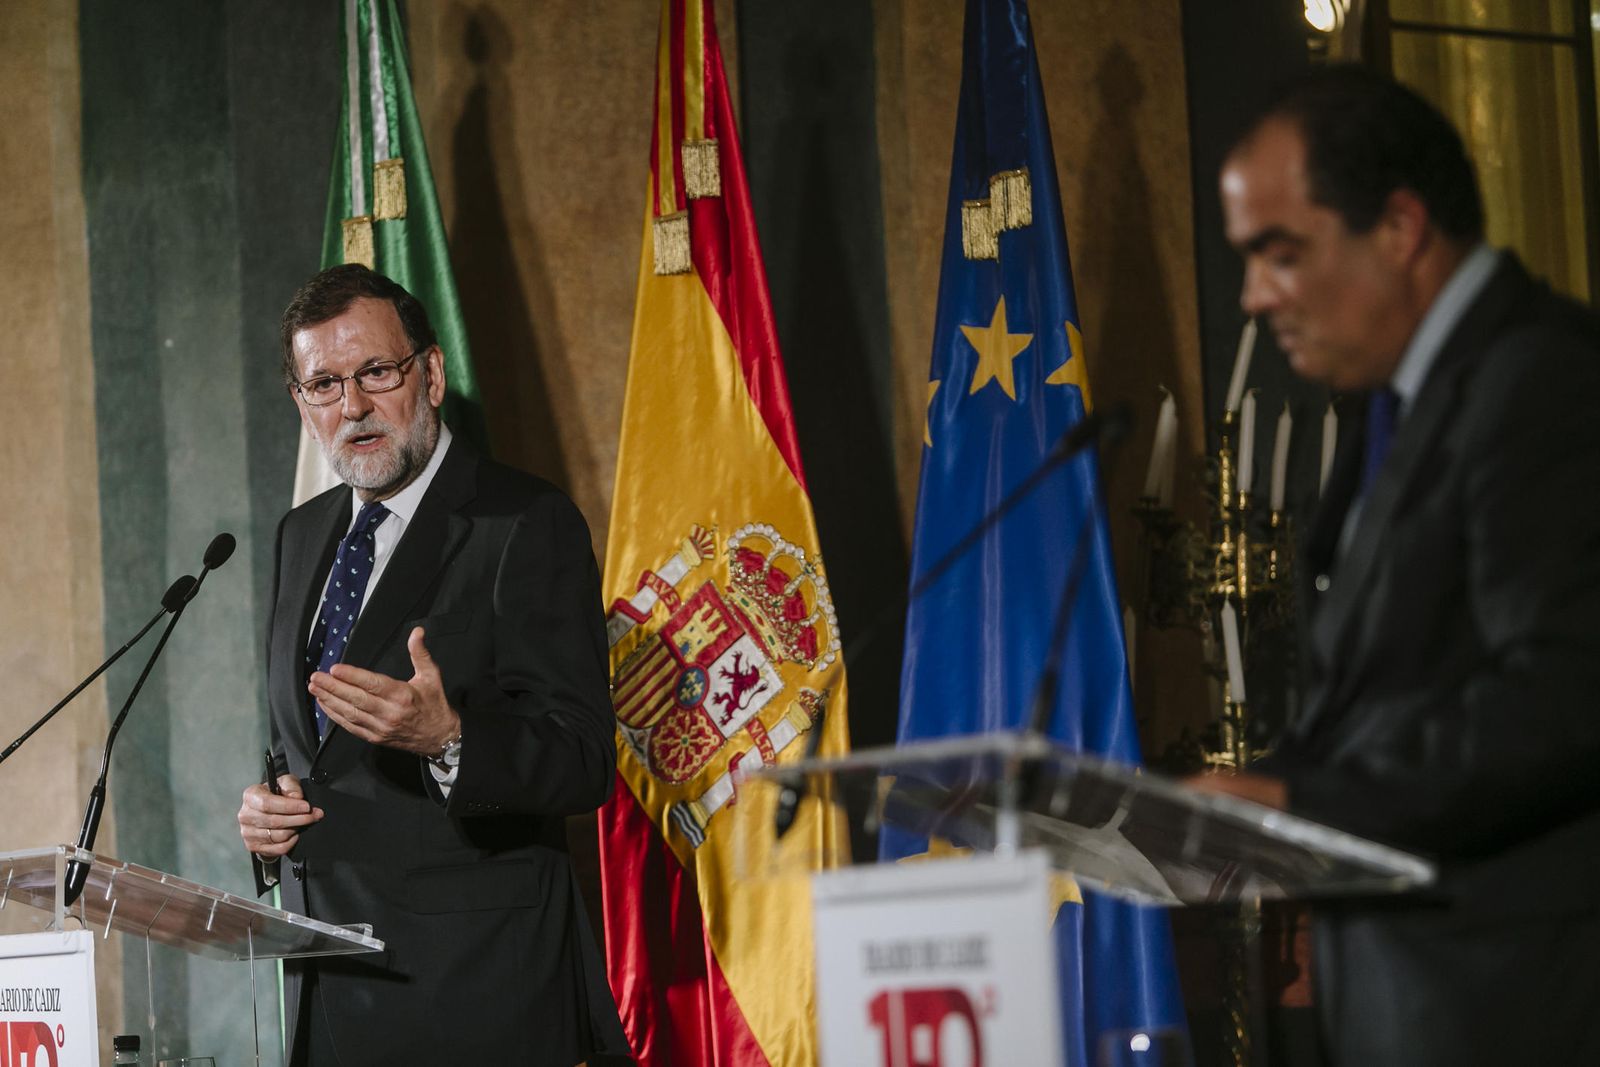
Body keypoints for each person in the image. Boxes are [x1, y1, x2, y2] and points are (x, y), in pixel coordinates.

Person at [1194, 66, 1600, 1065]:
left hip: (1514, 1004)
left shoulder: (1544, 379)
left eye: (1278, 253)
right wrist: (1246, 794)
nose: (1252, 297)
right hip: (1408, 997)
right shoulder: (1399, 401)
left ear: (1401, 227)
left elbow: (1566, 688)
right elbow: (1388, 688)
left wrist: (1305, 808)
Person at [235, 264, 628, 1065]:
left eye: (377, 372)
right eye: (324, 384)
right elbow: (309, 751)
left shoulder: (524, 521)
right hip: (332, 994)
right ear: (300, 405)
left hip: (480, 995)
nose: (352, 406)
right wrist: (269, 820)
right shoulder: (300, 535)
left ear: (432, 374)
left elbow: (584, 756)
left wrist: (451, 738)